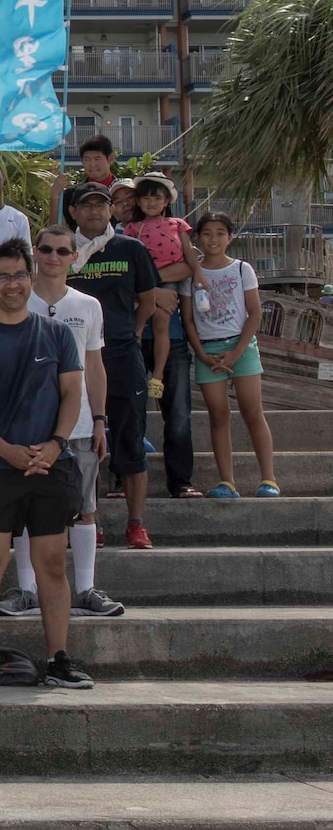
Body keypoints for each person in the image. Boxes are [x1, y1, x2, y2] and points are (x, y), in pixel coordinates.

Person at [0, 238, 93, 690]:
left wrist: (55, 444)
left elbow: (72, 393)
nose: (13, 284)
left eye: (20, 275)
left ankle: (59, 658)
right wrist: (6, 450)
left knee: (51, 563)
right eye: (3, 276)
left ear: (32, 280)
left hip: (51, 464)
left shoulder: (57, 334)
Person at [0, 224, 120, 620]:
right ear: (36, 253)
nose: (53, 258)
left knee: (85, 507)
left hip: (79, 425)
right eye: (46, 250)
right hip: (27, 425)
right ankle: (27, 590)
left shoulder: (88, 305)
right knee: (27, 509)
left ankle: (85, 588)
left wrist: (100, 419)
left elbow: (96, 367)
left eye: (62, 251)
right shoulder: (16, 299)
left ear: (73, 257)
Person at [64, 180, 159, 550]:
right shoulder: (62, 250)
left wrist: (130, 334)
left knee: (129, 440)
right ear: (73, 212)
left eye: (100, 205)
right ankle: (92, 520)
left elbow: (147, 301)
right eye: (85, 205)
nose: (93, 211)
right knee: (85, 445)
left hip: (121, 355)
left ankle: (136, 523)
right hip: (74, 361)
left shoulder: (131, 249)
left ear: (111, 210)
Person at [185, 211, 278, 500]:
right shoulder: (189, 272)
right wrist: (201, 353)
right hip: (207, 350)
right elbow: (188, 319)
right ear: (198, 237)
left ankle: (269, 479)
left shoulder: (242, 269)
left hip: (242, 347)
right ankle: (227, 482)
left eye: (220, 233)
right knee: (217, 414)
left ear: (230, 237)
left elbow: (255, 313)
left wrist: (237, 352)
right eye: (207, 233)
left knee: (252, 411)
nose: (214, 239)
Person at [125, 173, 207, 391]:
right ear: (139, 202)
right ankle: (135, 370)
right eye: (146, 199)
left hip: (168, 284)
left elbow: (189, 254)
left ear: (167, 202)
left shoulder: (178, 224)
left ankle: (158, 376)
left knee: (162, 324)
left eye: (157, 198)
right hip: (142, 284)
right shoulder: (133, 228)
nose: (151, 203)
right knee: (138, 325)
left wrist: (198, 272)